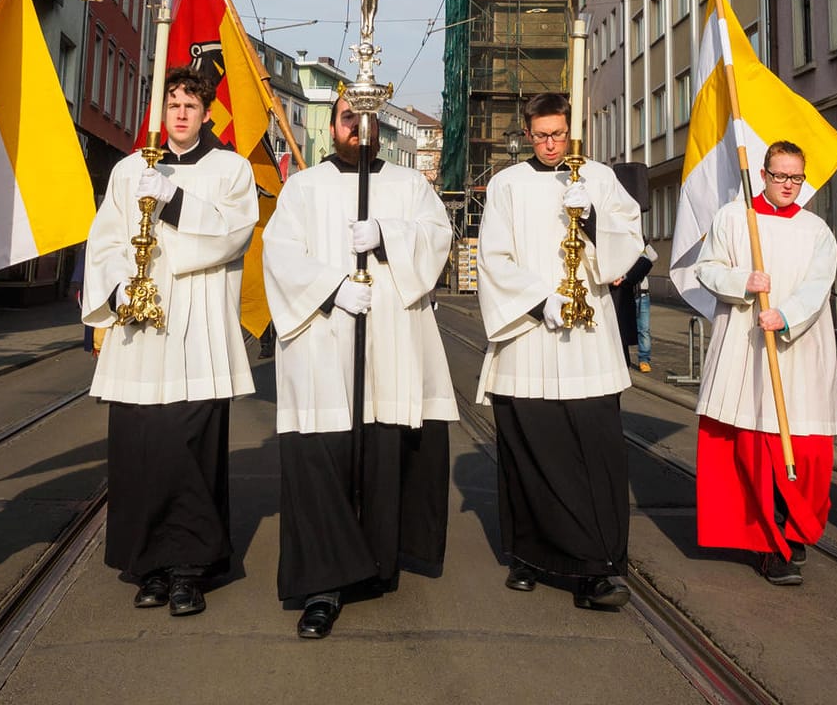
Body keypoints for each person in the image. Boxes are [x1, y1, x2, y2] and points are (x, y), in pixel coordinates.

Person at [262, 95, 457, 639]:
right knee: (322, 457)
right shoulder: (304, 187)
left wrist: (390, 235)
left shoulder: (408, 185)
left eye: (367, 118)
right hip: (323, 347)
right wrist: (333, 289)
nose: (358, 127)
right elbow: (279, 254)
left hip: (388, 347)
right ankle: (322, 584)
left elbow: (438, 238)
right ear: (333, 125)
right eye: (349, 118)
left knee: (379, 453)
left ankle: (373, 563)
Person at [82, 67, 259, 617]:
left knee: (189, 450)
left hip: (198, 327)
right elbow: (106, 237)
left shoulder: (230, 169)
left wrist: (175, 201)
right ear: (159, 112)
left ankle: (189, 570)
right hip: (140, 329)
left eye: (190, 104)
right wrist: (118, 287)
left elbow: (234, 235)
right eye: (171, 104)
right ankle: (149, 566)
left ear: (207, 112)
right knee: (139, 451)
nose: (180, 113)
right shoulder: (130, 168)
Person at [476, 92, 644, 611]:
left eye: (559, 134)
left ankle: (597, 567)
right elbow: (493, 256)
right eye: (541, 134)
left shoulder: (598, 176)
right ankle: (530, 555)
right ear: (527, 133)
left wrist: (592, 218)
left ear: (571, 130)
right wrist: (537, 301)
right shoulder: (506, 184)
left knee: (593, 452)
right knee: (528, 449)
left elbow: (630, 244)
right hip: (529, 336)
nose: (551, 144)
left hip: (587, 340)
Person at [690, 142, 837, 585]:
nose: (789, 185)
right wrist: (742, 281)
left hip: (800, 348)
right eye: (780, 176)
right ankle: (768, 544)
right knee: (754, 445)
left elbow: (819, 283)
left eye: (796, 177)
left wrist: (787, 314)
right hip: (746, 347)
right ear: (763, 174)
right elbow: (707, 268)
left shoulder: (817, 230)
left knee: (804, 451)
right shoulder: (735, 218)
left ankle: (794, 529)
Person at [610, 243, 658, 372]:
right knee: (622, 328)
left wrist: (639, 254)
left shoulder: (640, 244)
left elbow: (652, 256)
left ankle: (644, 359)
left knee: (644, 329)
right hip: (626, 292)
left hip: (641, 292)